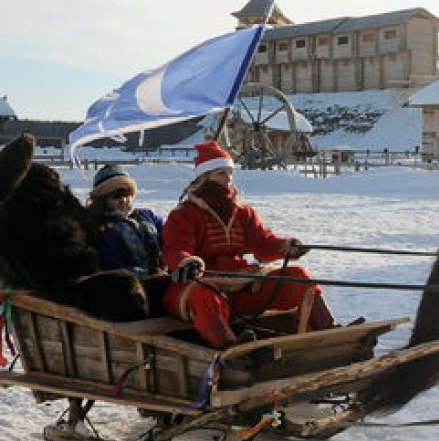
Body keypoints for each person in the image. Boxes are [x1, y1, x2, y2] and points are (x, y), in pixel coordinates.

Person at [162, 141, 334, 350]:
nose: (228, 180)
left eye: (230, 174)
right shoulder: (184, 214)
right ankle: (233, 351)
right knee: (204, 293)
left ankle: (332, 334)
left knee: (297, 276)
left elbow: (261, 242)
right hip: (199, 283)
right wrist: (186, 262)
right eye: (220, 174)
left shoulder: (242, 211)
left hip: (241, 282)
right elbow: (175, 248)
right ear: (204, 177)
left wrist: (285, 247)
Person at [85, 164, 169, 314]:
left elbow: (169, 239)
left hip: (164, 277)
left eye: (128, 194)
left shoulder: (147, 216)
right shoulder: (101, 227)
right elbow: (108, 262)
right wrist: (145, 274)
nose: (124, 200)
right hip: (131, 289)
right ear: (103, 199)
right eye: (117, 196)